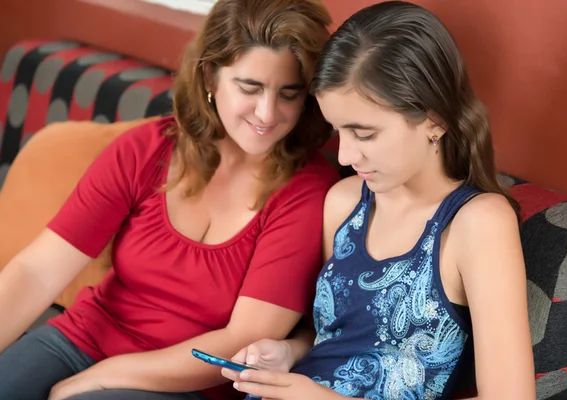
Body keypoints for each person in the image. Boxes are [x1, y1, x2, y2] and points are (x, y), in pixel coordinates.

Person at [0, 0, 339, 399]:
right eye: (250, 87)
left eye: (288, 94)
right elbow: (38, 271)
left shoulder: (308, 190)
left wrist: (106, 375)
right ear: (211, 76)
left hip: (190, 383)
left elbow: (243, 339)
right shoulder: (145, 151)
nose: (267, 113)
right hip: (82, 337)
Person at [221, 1, 536, 399]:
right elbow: (333, 339)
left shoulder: (477, 224)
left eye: (364, 134)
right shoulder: (344, 202)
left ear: (435, 119)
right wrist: (286, 352)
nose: (345, 156)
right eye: (339, 131)